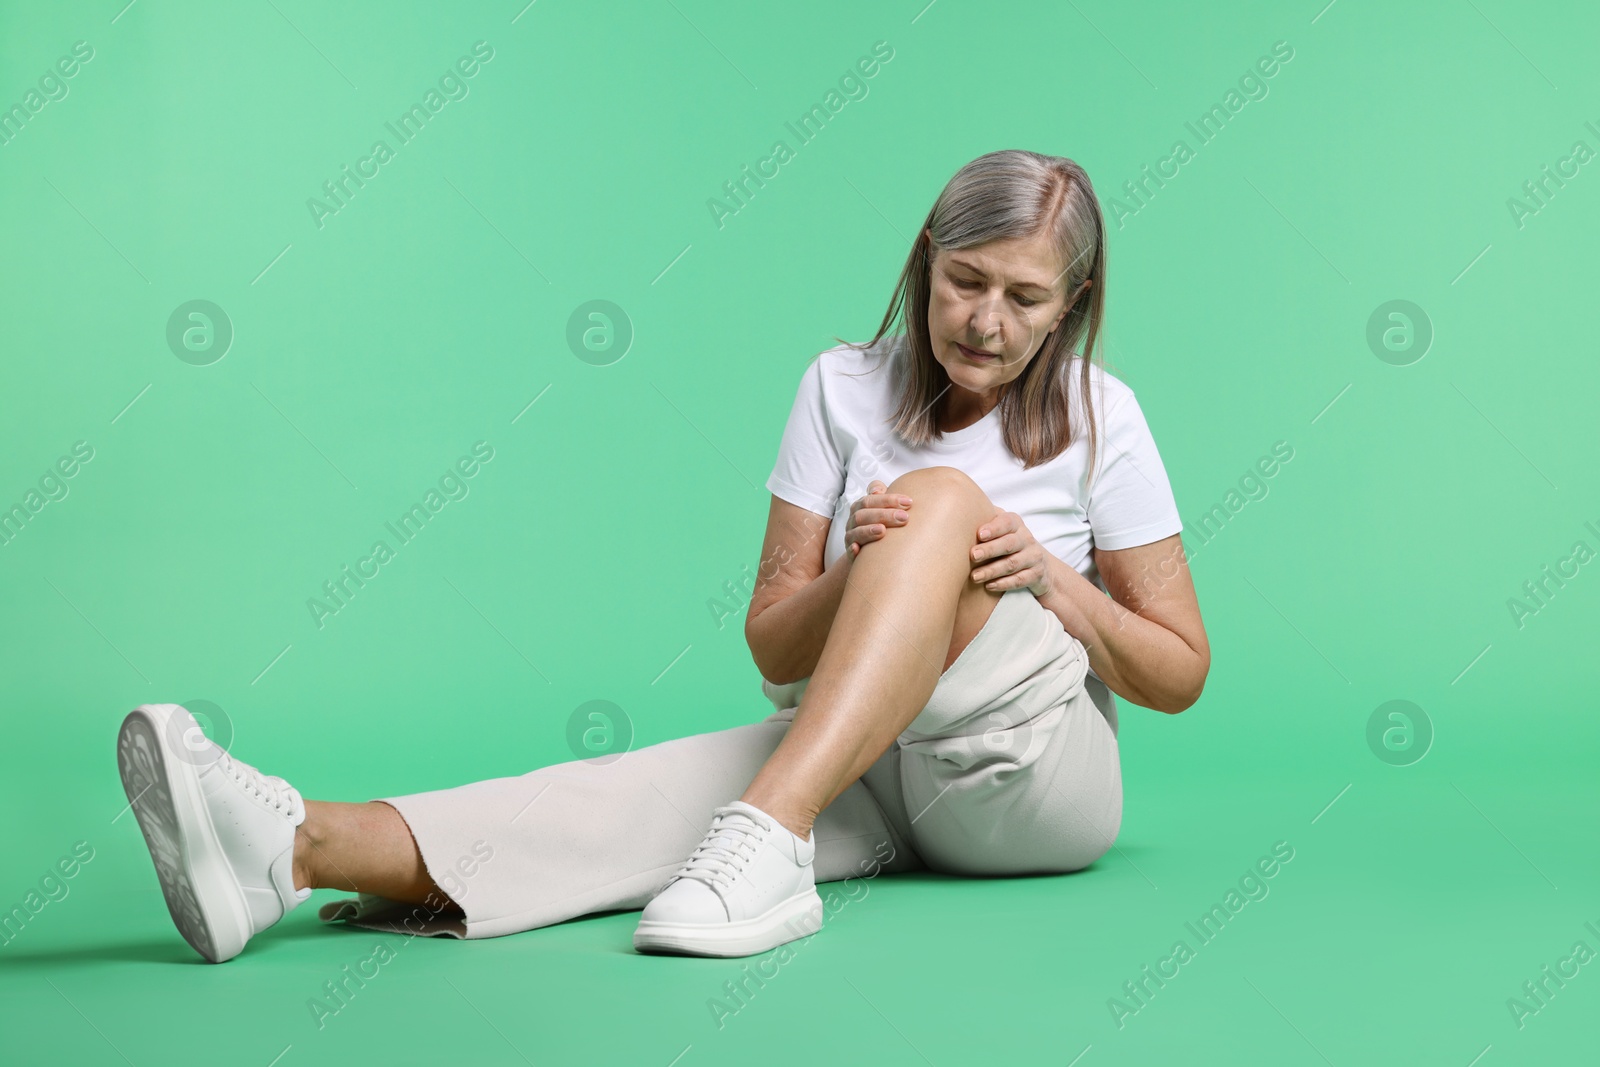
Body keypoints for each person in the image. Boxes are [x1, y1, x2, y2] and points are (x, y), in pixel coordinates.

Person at [115, 148, 1210, 964]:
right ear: (927, 261)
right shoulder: (840, 383)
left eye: (1025, 299)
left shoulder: (1100, 415)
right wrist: (853, 572)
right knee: (617, 800)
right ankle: (289, 849)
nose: (987, 321)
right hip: (872, 756)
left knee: (936, 501)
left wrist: (1049, 578)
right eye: (967, 280)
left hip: (1030, 785)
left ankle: (769, 829)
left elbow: (1177, 674)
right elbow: (772, 643)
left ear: (1069, 307)